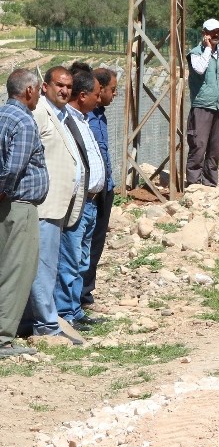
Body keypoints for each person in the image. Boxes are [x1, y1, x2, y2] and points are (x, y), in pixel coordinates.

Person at [24, 66, 85, 347]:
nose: (64, 90)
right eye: (59, 85)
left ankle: (37, 319)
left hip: (59, 206)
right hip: (44, 205)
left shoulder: (61, 115)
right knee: (43, 268)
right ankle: (47, 325)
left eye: (68, 86)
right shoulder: (39, 114)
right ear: (45, 86)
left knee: (48, 267)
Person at [0, 70, 49, 359]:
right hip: (18, 205)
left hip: (8, 205)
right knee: (18, 270)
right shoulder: (24, 121)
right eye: (38, 91)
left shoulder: (3, 115)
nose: (40, 95)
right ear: (29, 91)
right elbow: (15, 167)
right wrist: (4, 189)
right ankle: (3, 337)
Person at [56, 68, 105, 331]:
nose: (99, 99)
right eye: (96, 95)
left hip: (91, 202)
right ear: (83, 95)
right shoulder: (66, 120)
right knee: (71, 258)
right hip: (78, 201)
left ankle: (75, 309)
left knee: (82, 259)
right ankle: (65, 311)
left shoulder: (85, 119)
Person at [81, 67, 117, 311]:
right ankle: (79, 298)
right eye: (113, 90)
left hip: (105, 188)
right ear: (99, 89)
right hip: (90, 192)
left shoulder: (100, 115)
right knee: (85, 245)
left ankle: (85, 294)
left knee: (96, 243)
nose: (115, 95)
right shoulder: (84, 117)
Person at [187, 18, 219, 187]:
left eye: (217, 32)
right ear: (204, 33)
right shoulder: (195, 53)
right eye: (211, 31)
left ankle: (210, 185)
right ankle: (194, 185)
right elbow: (199, 69)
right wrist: (207, 49)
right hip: (202, 106)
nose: (215, 34)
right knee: (198, 147)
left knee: (215, 149)